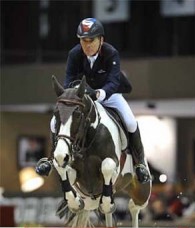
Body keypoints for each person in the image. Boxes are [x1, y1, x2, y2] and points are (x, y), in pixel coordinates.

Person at [36, 18, 150, 184]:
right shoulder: (74, 54)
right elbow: (68, 81)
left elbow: (113, 81)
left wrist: (99, 94)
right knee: (54, 122)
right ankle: (51, 158)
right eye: (83, 41)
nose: (87, 45)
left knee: (131, 122)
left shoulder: (111, 53)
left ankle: (140, 164)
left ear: (101, 40)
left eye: (91, 41)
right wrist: (77, 93)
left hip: (109, 95)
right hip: (83, 97)